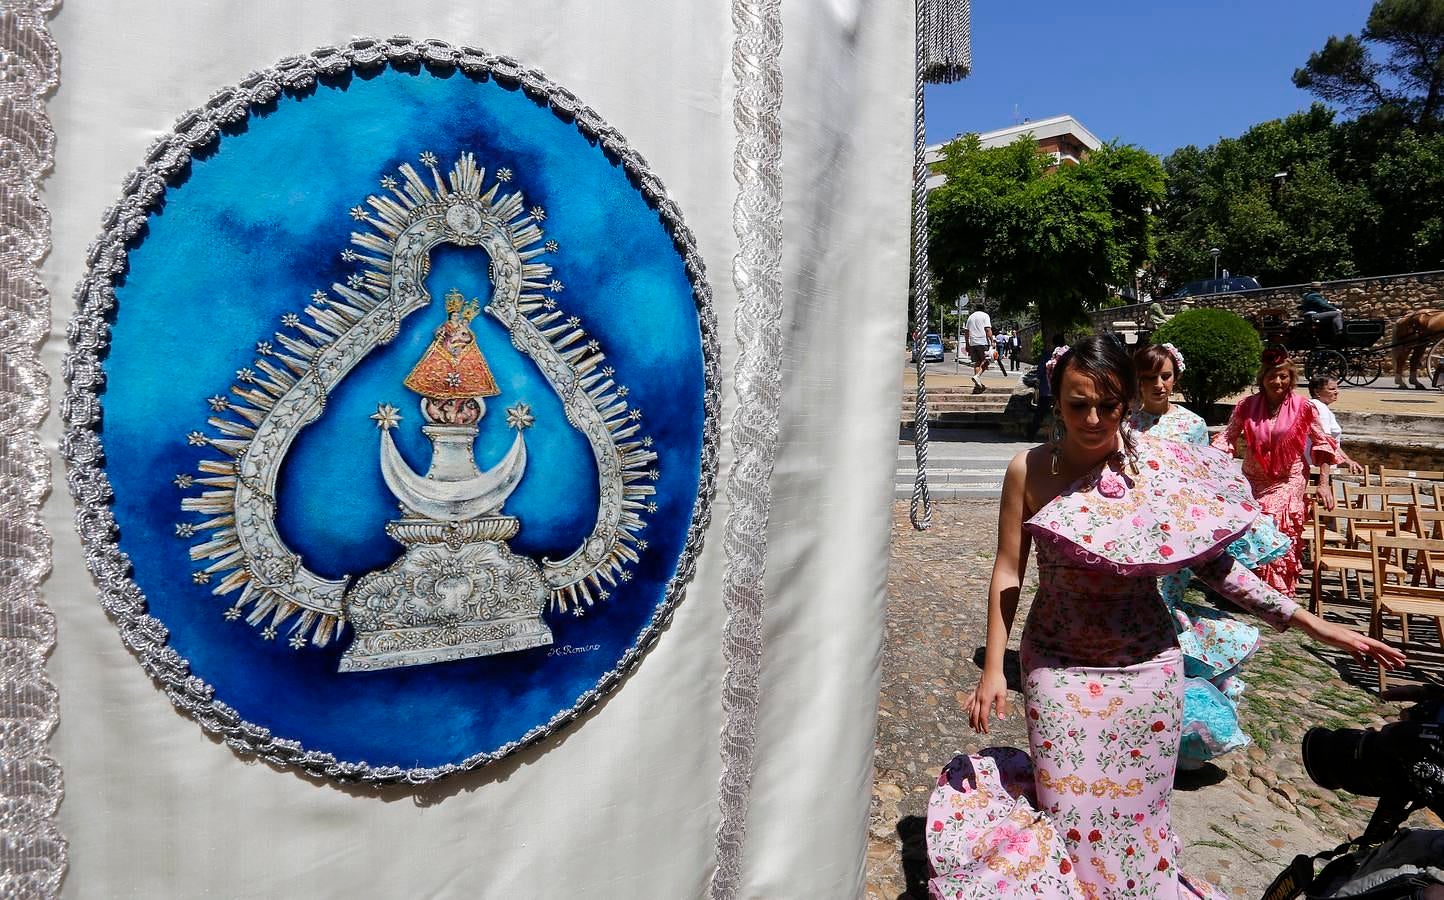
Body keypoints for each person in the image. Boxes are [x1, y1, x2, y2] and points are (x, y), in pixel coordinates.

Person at [932, 337, 1403, 900]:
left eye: (1108, 404)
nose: (1093, 418)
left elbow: (1218, 569)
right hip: (1057, 668)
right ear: (1054, 398)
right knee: (1072, 819)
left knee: (1137, 825)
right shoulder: (1027, 470)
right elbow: (1008, 571)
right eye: (1078, 403)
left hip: (1147, 673)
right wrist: (992, 668)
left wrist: (1315, 624)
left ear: (1127, 403)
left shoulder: (1156, 470)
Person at [1127, 342, 1292, 770]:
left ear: (1175, 378)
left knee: (1167, 615)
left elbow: (1202, 485)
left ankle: (1178, 730)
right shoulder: (1125, 424)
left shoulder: (1193, 425)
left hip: (1178, 542)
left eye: (1164, 376)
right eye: (1148, 378)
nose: (1158, 385)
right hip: (1136, 539)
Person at [1211, 349, 1338, 598]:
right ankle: (1248, 588)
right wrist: (1214, 465)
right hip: (1253, 479)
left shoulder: (1304, 407)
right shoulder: (1246, 406)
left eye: (1283, 377)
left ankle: (1275, 590)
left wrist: (1324, 484)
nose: (1278, 382)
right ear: (1263, 378)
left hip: (1288, 479)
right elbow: (1227, 437)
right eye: (1272, 376)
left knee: (1274, 520)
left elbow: (1323, 444)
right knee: (1247, 529)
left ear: (1291, 378)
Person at [1306, 376, 1365, 474]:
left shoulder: (1315, 406)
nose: (1337, 392)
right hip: (1317, 468)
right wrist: (1347, 460)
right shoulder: (1320, 407)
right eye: (1331, 389)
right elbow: (1325, 441)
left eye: (1337, 388)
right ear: (1317, 392)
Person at [1028, 333, 1064, 440]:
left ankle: (1031, 435)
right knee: (1062, 414)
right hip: (1061, 390)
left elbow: (1040, 372)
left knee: (1040, 413)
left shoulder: (1047, 355)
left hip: (1046, 389)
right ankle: (1061, 436)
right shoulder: (1067, 355)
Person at [964, 306, 993, 390]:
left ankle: (977, 383)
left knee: (977, 362)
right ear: (983, 309)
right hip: (983, 341)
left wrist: (967, 343)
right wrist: (992, 340)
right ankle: (977, 376)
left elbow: (966, 331)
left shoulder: (971, 317)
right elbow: (987, 329)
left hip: (973, 342)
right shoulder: (985, 315)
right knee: (986, 361)